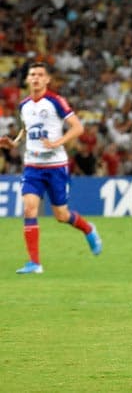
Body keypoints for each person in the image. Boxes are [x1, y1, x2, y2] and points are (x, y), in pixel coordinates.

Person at [0, 62, 102, 274]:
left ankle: (88, 229)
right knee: (29, 208)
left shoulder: (56, 101)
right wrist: (15, 142)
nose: (36, 78)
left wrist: (57, 143)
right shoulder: (24, 105)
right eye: (32, 75)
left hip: (56, 167)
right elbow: (26, 129)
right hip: (32, 167)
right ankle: (35, 263)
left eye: (40, 75)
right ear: (27, 79)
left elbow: (78, 127)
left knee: (61, 216)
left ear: (47, 80)